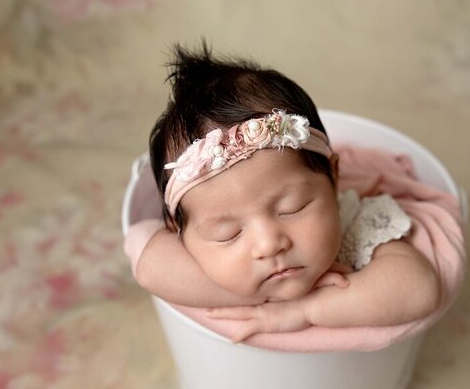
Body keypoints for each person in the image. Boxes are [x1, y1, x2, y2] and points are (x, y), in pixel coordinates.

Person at [127, 43, 442, 343]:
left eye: (293, 208)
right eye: (228, 233)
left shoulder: (356, 221)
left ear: (334, 176)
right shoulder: (194, 251)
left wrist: (307, 308)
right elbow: (148, 264)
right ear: (176, 230)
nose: (269, 245)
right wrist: (258, 295)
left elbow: (419, 288)